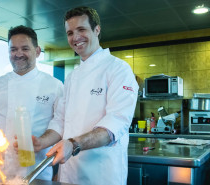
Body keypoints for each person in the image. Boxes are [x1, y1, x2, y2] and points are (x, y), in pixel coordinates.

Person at [28, 6, 139, 185]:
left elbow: (115, 124)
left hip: (102, 174)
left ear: (97, 30)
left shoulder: (118, 69)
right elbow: (60, 121)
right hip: (70, 173)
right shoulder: (72, 77)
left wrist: (73, 144)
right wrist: (41, 142)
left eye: (81, 29)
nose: (75, 37)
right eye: (70, 32)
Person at [0, 25, 63, 180]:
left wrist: (41, 141)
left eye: (25, 48)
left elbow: (60, 125)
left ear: (37, 51)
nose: (18, 54)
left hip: (38, 171)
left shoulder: (54, 86)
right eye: (13, 49)